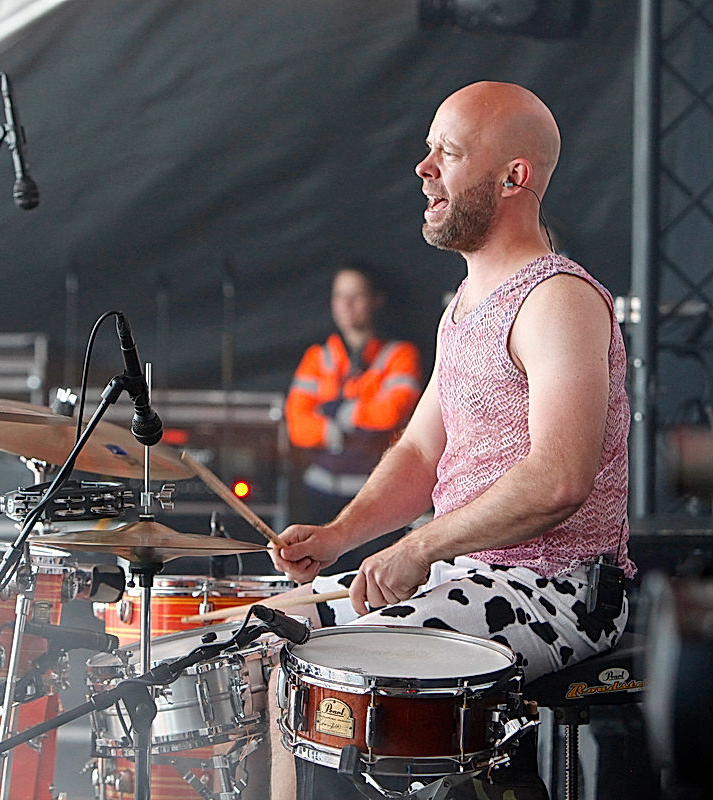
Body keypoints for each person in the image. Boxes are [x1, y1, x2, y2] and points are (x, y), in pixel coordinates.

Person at [266, 81, 634, 798]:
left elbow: (560, 478)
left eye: (449, 152)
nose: (423, 167)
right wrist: (342, 535)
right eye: (430, 150)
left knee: (326, 669)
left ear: (513, 178)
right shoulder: (465, 307)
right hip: (468, 575)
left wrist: (419, 545)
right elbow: (418, 454)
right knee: (272, 635)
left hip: (555, 591)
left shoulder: (556, 299)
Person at [285, 264, 421, 535]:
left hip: (376, 494)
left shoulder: (400, 355)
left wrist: (342, 413)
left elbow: (390, 413)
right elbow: (297, 424)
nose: (346, 304)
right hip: (319, 495)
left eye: (356, 296)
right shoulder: (318, 357)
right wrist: (333, 430)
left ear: (376, 300)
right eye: (339, 296)